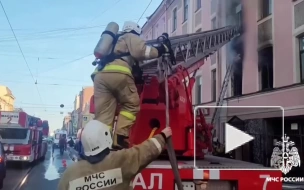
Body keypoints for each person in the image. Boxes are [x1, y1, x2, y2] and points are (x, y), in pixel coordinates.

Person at [92, 20, 170, 149]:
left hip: (100, 76)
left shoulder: (113, 41)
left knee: (104, 112)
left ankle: (101, 144)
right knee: (131, 104)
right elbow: (142, 51)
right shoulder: (130, 36)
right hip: (118, 72)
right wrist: (160, 50)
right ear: (136, 31)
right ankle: (120, 138)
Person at [58, 120, 171, 190]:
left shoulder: (70, 174)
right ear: (106, 137)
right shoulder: (119, 161)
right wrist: (163, 136)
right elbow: (143, 152)